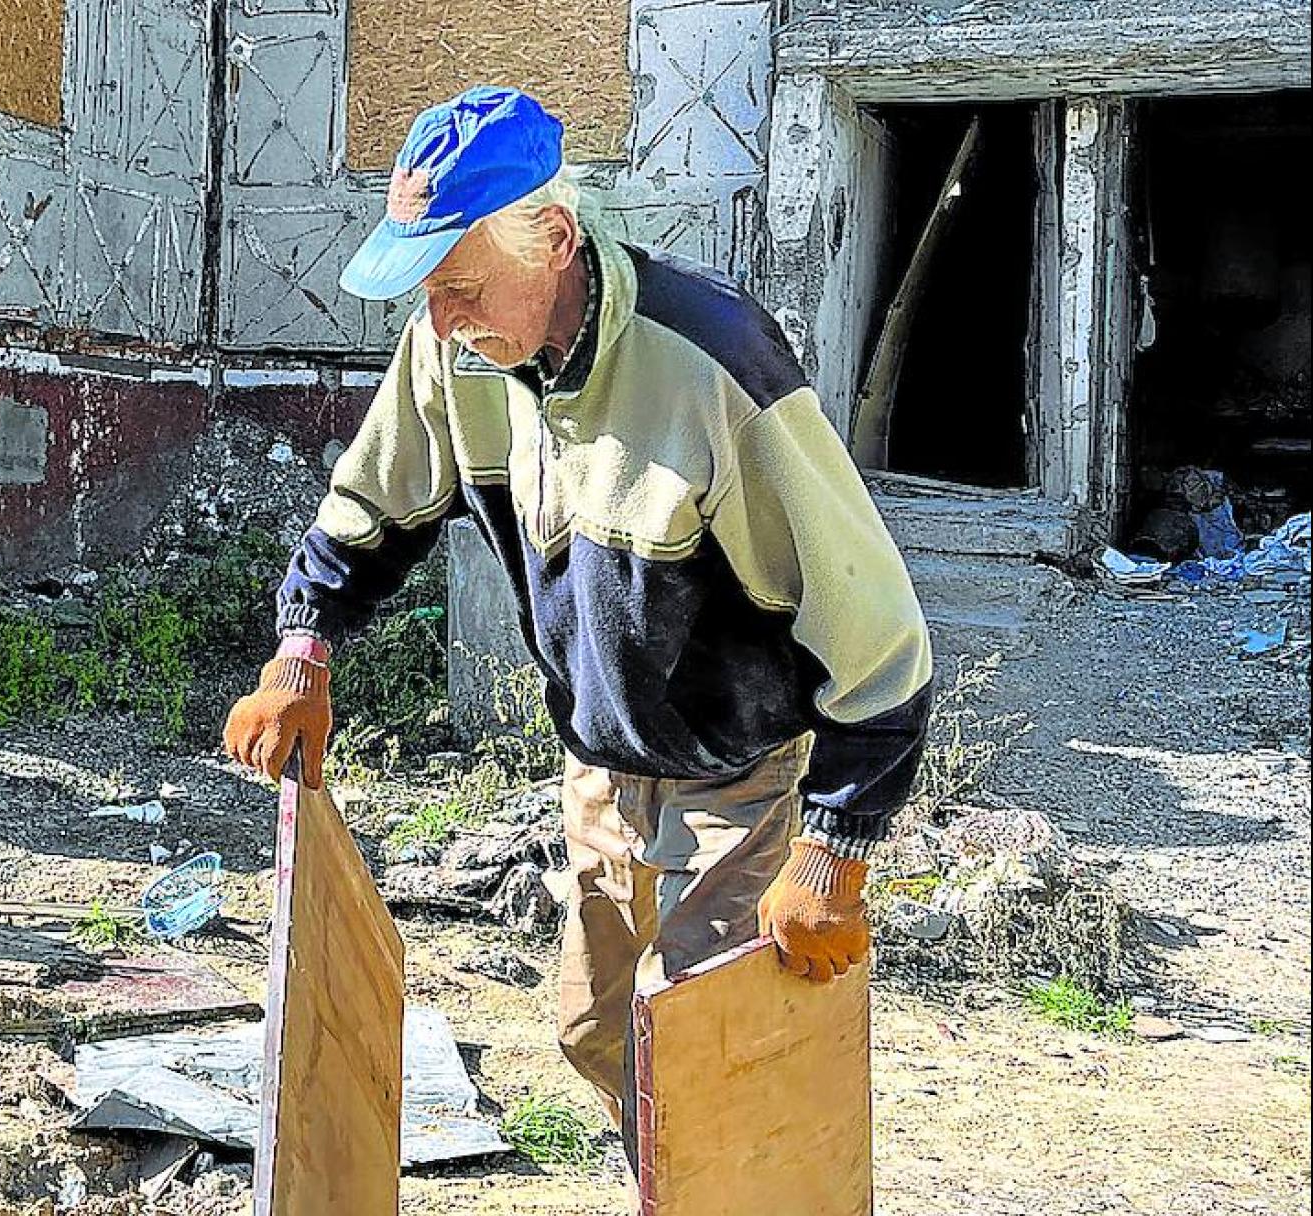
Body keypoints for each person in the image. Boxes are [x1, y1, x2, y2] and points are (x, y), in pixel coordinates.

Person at [222, 85, 933, 1145]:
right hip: (600, 759)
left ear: (552, 239)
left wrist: (834, 852)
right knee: (596, 1033)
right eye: (425, 293)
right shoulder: (457, 349)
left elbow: (879, 635)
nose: (440, 324)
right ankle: (670, 1180)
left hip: (732, 766)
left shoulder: (715, 363)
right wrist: (301, 649)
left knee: (711, 1059)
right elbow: (372, 508)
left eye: (457, 287)